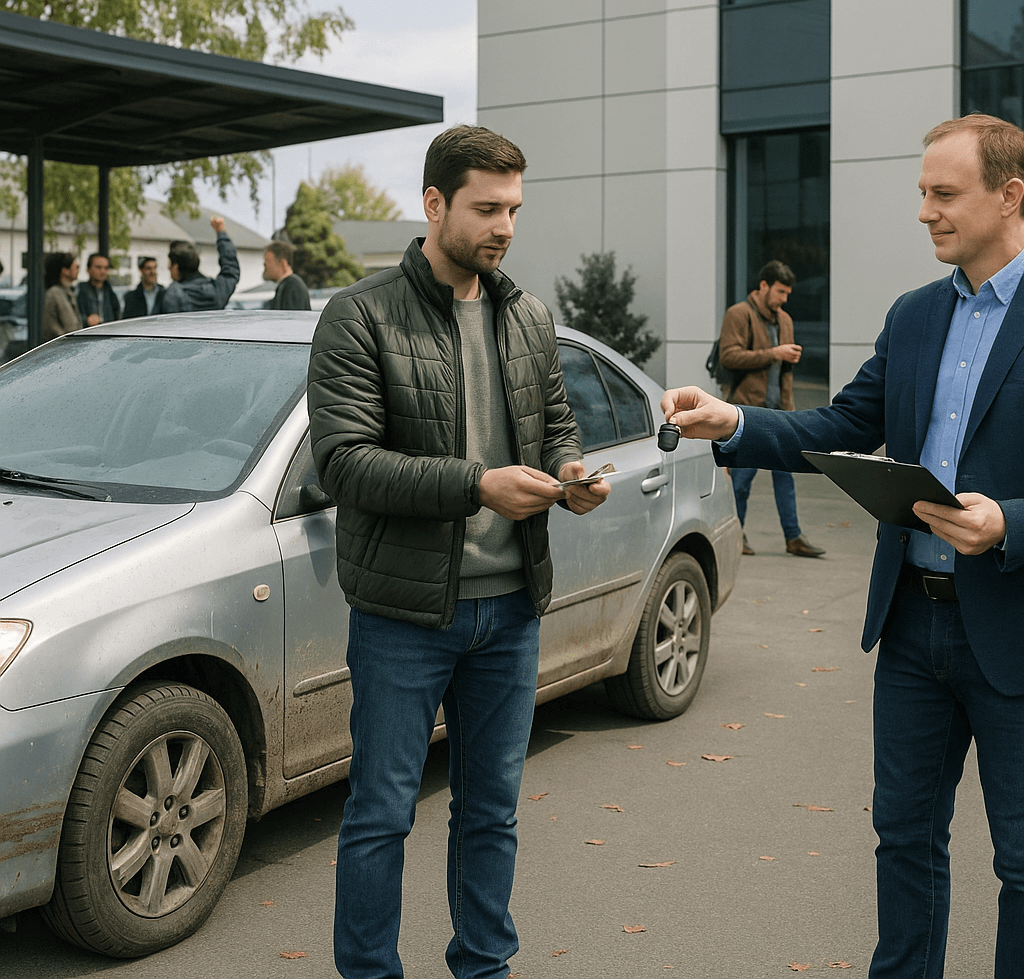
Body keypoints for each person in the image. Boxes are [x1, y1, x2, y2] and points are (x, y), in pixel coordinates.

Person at [662, 113, 1024, 979]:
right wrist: (736, 421)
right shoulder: (912, 316)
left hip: (1013, 633)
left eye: (945, 194)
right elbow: (842, 425)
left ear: (1010, 195)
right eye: (922, 195)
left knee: (1022, 863)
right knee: (902, 839)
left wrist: (1009, 521)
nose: (926, 213)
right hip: (910, 629)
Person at [307, 124, 610, 979]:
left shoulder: (529, 314)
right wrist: (478, 484)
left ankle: (484, 967)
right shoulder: (359, 315)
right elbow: (345, 463)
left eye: (513, 207)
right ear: (435, 204)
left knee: (492, 814)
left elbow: (554, 422)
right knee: (381, 813)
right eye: (486, 208)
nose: (505, 226)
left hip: (511, 610)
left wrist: (570, 470)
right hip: (404, 615)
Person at [719, 260, 824, 558]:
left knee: (785, 478)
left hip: (780, 413)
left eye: (787, 293)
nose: (783, 299)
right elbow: (729, 357)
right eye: (779, 292)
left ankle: (794, 538)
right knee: (741, 481)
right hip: (748, 412)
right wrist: (773, 353)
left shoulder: (785, 320)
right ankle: (734, 535)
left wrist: (790, 408)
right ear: (763, 286)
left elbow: (784, 373)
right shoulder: (738, 314)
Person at [162, 215, 239, 312]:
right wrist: (221, 232)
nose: (168, 268)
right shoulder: (217, 290)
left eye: (169, 265)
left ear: (176, 266)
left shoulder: (172, 295)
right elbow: (231, 269)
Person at [42, 251, 82, 341]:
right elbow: (51, 327)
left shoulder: (67, 292)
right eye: (76, 267)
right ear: (65, 270)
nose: (78, 270)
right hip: (63, 347)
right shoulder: (53, 293)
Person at [262, 240, 311, 309]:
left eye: (267, 260)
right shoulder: (286, 285)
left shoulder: (292, 286)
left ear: (283, 263)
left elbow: (291, 318)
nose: (264, 264)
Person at [76, 252, 120, 326]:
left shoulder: (110, 292)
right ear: (88, 269)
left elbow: (117, 316)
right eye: (98, 267)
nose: (102, 271)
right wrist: (86, 320)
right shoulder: (80, 290)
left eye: (106, 268)